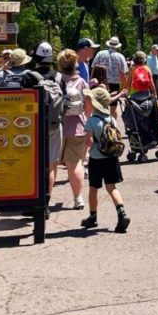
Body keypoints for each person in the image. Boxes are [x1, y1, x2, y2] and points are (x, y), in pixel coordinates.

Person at [81, 86, 131, 232]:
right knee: (112, 187)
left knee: (93, 188)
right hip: (111, 157)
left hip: (96, 159)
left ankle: (92, 217)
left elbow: (89, 141)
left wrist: (87, 152)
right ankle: (122, 213)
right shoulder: (111, 119)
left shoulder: (91, 121)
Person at [33, 41, 64, 212]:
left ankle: (33, 199)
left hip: (33, 128)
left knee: (33, 164)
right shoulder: (59, 78)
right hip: (54, 125)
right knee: (51, 165)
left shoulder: (28, 76)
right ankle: (46, 201)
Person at [57, 49, 89, 209]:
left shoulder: (56, 81)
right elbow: (88, 106)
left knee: (51, 164)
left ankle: (46, 199)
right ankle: (78, 199)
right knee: (75, 164)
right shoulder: (82, 82)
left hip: (57, 128)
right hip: (78, 127)